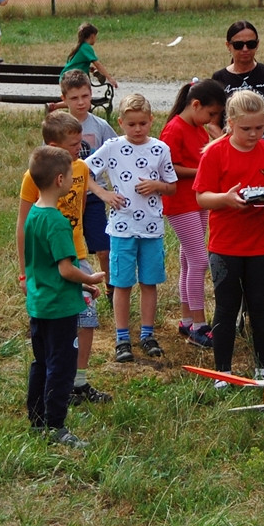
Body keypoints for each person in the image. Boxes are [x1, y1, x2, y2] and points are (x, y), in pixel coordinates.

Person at [17, 112, 112, 406]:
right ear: (53, 145)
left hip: (75, 254)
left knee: (88, 319)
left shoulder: (81, 169)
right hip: (55, 261)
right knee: (59, 323)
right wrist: (24, 273)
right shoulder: (36, 176)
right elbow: (23, 224)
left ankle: (78, 381)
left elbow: (79, 213)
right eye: (73, 145)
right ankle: (58, 381)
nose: (79, 149)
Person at [194, 90, 264, 385]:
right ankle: (223, 371)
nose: (253, 134)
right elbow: (201, 198)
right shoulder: (214, 152)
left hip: (262, 242)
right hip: (225, 244)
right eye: (246, 128)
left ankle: (263, 368)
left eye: (260, 128)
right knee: (226, 305)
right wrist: (226, 198)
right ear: (230, 123)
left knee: (260, 305)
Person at [23, 145, 106, 449]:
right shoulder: (58, 222)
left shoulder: (34, 213)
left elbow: (43, 264)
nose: (74, 179)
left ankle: (37, 419)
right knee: (62, 366)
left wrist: (82, 287)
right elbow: (65, 269)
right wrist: (89, 278)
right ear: (59, 180)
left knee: (41, 362)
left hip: (40, 303)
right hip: (60, 308)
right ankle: (56, 425)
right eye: (71, 175)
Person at [86, 93, 177, 363]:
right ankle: (122, 337)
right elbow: (82, 170)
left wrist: (157, 186)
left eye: (142, 124)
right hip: (122, 228)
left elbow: (171, 186)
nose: (137, 130)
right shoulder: (112, 147)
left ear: (151, 121)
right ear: (121, 122)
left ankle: (147, 334)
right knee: (122, 283)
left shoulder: (160, 149)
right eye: (131, 124)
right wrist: (103, 194)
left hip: (151, 228)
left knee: (149, 282)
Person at [158, 78, 226, 347]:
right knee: (199, 261)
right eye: (211, 113)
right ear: (195, 104)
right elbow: (169, 169)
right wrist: (202, 172)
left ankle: (187, 320)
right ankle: (200, 323)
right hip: (181, 203)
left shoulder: (198, 127)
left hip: (198, 201)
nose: (213, 119)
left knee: (189, 259)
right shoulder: (174, 129)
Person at [59, 70, 122, 301]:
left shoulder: (100, 126)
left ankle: (110, 287)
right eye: (74, 98)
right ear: (64, 98)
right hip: (65, 198)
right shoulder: (57, 127)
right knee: (68, 248)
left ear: (91, 94)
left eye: (85, 96)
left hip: (94, 198)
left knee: (103, 248)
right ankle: (71, 286)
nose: (81, 102)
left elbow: (117, 152)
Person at [211, 20, 264, 155]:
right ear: (228, 46)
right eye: (238, 45)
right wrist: (227, 144)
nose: (245, 49)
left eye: (251, 44)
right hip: (233, 147)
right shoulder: (219, 78)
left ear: (257, 44)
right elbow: (212, 123)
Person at [61, 22, 118, 88]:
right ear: (92, 36)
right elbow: (97, 64)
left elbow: (74, 64)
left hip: (65, 77)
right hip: (72, 79)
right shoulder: (86, 47)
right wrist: (110, 78)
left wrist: (87, 68)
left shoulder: (78, 47)